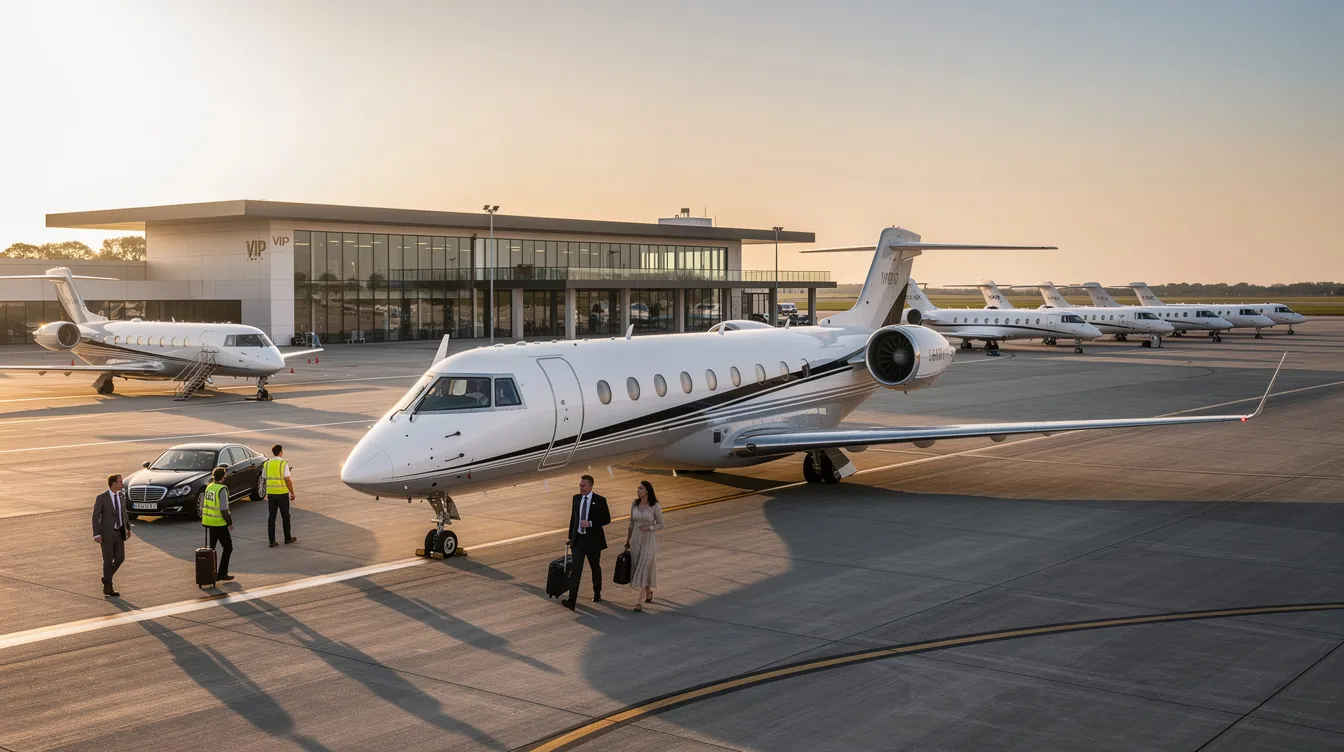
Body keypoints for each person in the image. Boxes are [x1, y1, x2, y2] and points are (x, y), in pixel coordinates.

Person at [562, 474, 610, 610]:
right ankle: (572, 600)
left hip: (593, 541)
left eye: (583, 486)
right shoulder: (576, 499)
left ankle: (597, 592)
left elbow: (606, 519)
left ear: (590, 486)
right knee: (576, 570)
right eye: (580, 485)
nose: (581, 488)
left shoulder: (600, 500)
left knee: (595, 566)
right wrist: (570, 538)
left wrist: (590, 523)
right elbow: (573, 518)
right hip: (578, 540)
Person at [625, 480, 665, 611]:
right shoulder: (634, 504)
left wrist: (650, 527)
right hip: (636, 540)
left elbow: (661, 523)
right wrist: (628, 541)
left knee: (644, 566)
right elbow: (631, 523)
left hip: (648, 540)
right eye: (638, 488)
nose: (638, 490)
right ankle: (648, 593)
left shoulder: (655, 506)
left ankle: (639, 602)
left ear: (647, 491)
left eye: (640, 488)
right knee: (640, 566)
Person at [91, 473, 132, 597]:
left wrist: (128, 528)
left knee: (120, 558)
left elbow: (124, 513)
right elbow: (95, 517)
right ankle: (108, 587)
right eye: (120, 481)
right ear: (113, 484)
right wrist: (96, 534)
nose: (122, 483)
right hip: (106, 534)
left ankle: (107, 578)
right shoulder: (102, 498)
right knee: (108, 561)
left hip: (119, 532)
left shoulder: (121, 496)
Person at [201, 466, 235, 581]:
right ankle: (222, 573)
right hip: (219, 524)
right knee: (228, 548)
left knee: (211, 549)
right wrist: (229, 523)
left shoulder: (210, 486)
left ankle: (208, 573)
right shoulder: (222, 489)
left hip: (208, 522)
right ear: (223, 476)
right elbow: (224, 509)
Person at [262, 444, 297, 547]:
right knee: (285, 516)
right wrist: (292, 493)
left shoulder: (267, 464)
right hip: (282, 494)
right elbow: (287, 480)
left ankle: (272, 541)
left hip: (271, 494)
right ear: (281, 452)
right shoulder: (283, 463)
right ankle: (287, 538)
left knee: (271, 518)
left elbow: (264, 478)